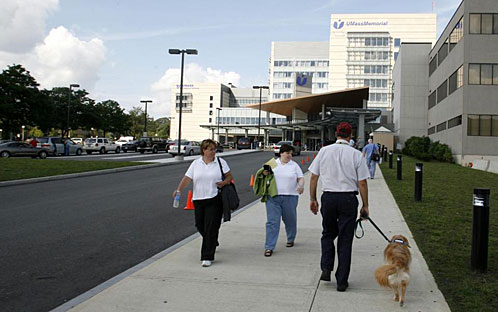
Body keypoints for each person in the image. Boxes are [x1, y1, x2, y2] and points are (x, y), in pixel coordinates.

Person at [308, 122, 370, 292]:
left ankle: (326, 267)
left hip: (328, 197)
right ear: (350, 136)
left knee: (328, 233)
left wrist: (313, 198)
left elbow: (314, 177)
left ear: (336, 134)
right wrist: (365, 205)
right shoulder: (356, 154)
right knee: (345, 239)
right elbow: (362, 182)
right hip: (348, 198)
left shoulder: (324, 151)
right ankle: (342, 281)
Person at [173, 139, 233, 267]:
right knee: (200, 225)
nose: (213, 152)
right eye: (210, 149)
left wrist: (224, 182)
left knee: (210, 227)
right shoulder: (196, 163)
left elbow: (229, 176)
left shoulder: (220, 162)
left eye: (214, 149)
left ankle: (207, 256)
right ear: (203, 150)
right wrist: (179, 190)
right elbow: (187, 178)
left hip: (215, 198)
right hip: (198, 199)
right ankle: (212, 241)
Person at [261, 144, 304, 257]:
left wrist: (300, 186)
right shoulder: (272, 163)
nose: (289, 155)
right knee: (272, 222)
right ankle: (269, 247)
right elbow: (263, 174)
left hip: (290, 196)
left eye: (290, 153)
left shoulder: (294, 165)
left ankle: (290, 238)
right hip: (273, 197)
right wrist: (265, 173)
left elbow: (300, 178)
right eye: (287, 153)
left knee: (290, 220)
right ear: (281, 153)